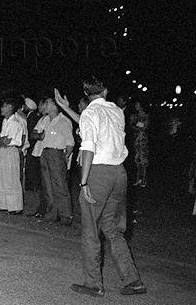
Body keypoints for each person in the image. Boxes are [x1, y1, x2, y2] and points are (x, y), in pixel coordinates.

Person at [69, 77, 146, 297]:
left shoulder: (89, 114)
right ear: (105, 91)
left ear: (86, 94)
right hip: (119, 173)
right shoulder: (115, 111)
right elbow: (91, 122)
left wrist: (83, 181)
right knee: (113, 229)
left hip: (98, 173)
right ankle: (133, 280)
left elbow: (89, 146)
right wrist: (66, 108)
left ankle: (94, 284)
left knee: (91, 229)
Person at [35, 97, 74, 225]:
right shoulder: (45, 120)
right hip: (45, 152)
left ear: (53, 106)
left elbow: (70, 143)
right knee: (48, 185)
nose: (44, 106)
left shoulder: (64, 121)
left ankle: (65, 215)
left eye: (47, 103)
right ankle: (52, 213)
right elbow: (35, 132)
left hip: (57, 153)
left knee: (60, 185)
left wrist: (66, 157)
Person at [0, 98, 25, 214]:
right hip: (4, 150)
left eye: (4, 106)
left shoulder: (15, 123)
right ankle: (3, 204)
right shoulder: (6, 122)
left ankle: (16, 206)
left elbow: (6, 140)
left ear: (10, 108)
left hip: (11, 150)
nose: (1, 109)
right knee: (2, 177)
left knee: (11, 178)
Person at [129, 101, 150, 187]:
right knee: (137, 160)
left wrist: (136, 123)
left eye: (137, 104)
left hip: (143, 141)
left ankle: (144, 179)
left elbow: (145, 126)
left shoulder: (146, 115)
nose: (135, 106)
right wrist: (135, 124)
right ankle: (138, 178)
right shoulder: (135, 116)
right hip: (137, 140)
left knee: (143, 160)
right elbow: (131, 125)